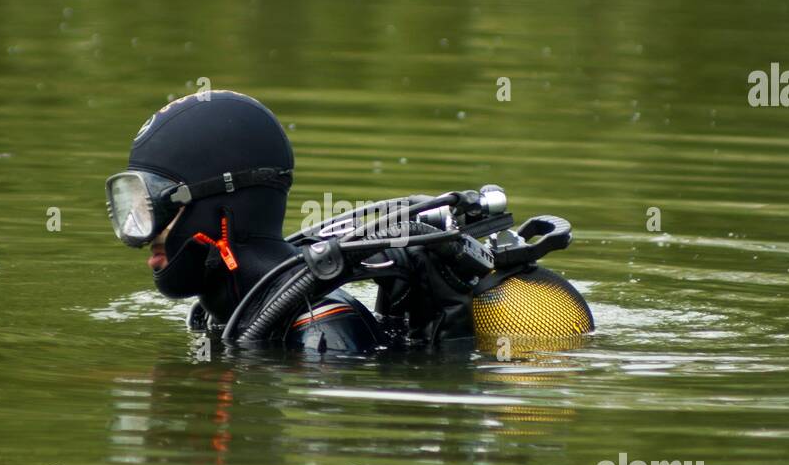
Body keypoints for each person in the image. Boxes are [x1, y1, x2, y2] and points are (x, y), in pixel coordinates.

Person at [105, 90, 593, 355]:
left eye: (152, 207)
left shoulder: (321, 334)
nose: (140, 232)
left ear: (219, 209)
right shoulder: (229, 308)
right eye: (129, 208)